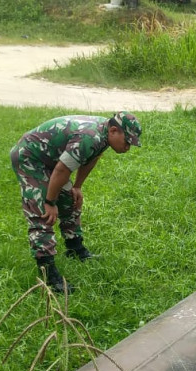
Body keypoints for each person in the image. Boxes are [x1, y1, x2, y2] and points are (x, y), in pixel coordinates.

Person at [9, 112, 142, 293]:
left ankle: (75, 247)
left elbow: (91, 159)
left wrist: (77, 186)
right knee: (43, 213)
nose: (128, 147)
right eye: (127, 141)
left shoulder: (103, 136)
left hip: (52, 160)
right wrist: (49, 201)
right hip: (30, 157)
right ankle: (47, 270)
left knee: (70, 199)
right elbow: (62, 169)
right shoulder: (89, 138)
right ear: (113, 131)